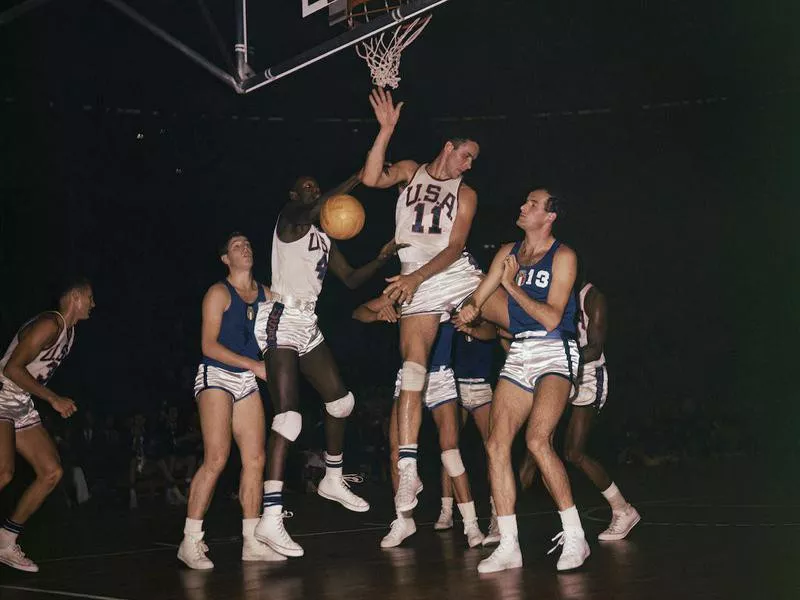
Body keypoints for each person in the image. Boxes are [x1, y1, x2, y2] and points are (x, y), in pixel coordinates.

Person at [253, 173, 404, 557]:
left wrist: (383, 256)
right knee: (288, 418)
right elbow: (315, 207)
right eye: (306, 187)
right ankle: (269, 518)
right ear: (293, 195)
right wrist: (359, 177)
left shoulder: (324, 238)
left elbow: (352, 279)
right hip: (281, 317)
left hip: (308, 322)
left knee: (342, 403)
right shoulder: (290, 219)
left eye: (315, 187)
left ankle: (333, 478)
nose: (313, 191)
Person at [360, 88, 483, 514]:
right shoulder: (412, 172)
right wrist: (385, 131)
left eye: (472, 162)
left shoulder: (465, 194)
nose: (469, 165)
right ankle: (409, 471)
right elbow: (371, 178)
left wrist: (415, 277)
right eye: (466, 155)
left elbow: (454, 247)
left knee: (510, 311)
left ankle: (542, 356)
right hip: (415, 281)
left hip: (448, 272)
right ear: (449, 148)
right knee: (412, 368)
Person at [455, 188, 590, 573]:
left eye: (532, 204)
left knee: (537, 440)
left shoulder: (563, 256)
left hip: (554, 349)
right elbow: (479, 297)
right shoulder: (507, 253)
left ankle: (576, 538)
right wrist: (466, 311)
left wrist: (511, 287)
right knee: (496, 444)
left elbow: (550, 318)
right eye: (524, 202)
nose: (522, 207)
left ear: (549, 216)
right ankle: (509, 545)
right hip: (519, 352)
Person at [177, 232, 285, 569]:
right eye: (237, 246)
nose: (246, 248)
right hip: (216, 376)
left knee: (255, 459)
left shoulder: (267, 294)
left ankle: (252, 541)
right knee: (218, 457)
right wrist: (255, 364)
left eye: (248, 244)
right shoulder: (218, 293)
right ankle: (190, 540)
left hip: (246, 380)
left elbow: (295, 313)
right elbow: (208, 345)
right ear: (226, 258)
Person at [353, 296, 484, 549]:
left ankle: (471, 524)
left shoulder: (448, 292)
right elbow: (359, 311)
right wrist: (379, 314)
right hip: (409, 378)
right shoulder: (405, 294)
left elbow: (489, 328)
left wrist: (472, 322)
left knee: (451, 453)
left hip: (441, 378)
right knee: (395, 454)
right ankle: (404, 521)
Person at [519, 276, 640, 541]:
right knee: (537, 439)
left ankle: (623, 509)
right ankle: (507, 514)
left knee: (574, 452)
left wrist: (556, 358)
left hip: (589, 375)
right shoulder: (552, 295)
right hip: (563, 371)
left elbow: (595, 349)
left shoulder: (593, 297)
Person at [0, 278, 94, 572]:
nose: (93, 304)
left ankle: (5, 542)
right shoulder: (49, 324)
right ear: (75, 298)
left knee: (51, 472)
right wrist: (53, 399)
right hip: (2, 393)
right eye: (90, 297)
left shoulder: (70, 332)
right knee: (4, 472)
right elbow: (11, 368)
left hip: (21, 402)